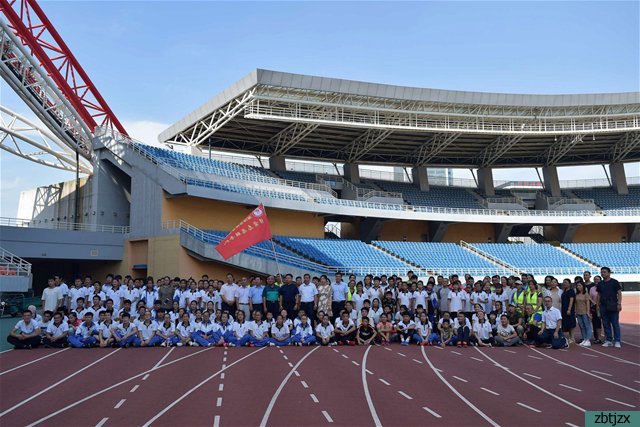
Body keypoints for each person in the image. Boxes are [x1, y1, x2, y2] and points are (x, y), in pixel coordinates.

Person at [596, 267, 622, 348]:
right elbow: (599, 295)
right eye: (601, 272)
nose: (602, 273)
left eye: (604, 272)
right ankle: (609, 340)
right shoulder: (600, 284)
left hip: (613, 305)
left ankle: (617, 340)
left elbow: (619, 293)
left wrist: (619, 303)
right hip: (603, 305)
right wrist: (597, 305)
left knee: (615, 323)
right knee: (605, 324)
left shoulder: (614, 282)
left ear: (609, 273)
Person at [574, 282, 593, 347]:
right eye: (577, 286)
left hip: (585, 312)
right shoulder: (576, 294)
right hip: (578, 312)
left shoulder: (586, 294)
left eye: (579, 285)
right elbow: (575, 304)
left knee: (587, 326)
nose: (578, 287)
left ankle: (588, 340)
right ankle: (584, 339)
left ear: (583, 286)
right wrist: (575, 312)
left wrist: (588, 312)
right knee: (581, 326)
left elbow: (588, 303)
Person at [561, 279, 576, 344]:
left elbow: (571, 300)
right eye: (564, 282)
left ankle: (572, 338)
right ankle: (570, 337)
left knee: (571, 324)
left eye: (566, 282)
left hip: (569, 309)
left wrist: (569, 309)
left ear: (570, 284)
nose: (565, 284)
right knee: (567, 324)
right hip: (564, 309)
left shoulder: (571, 291)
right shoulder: (564, 291)